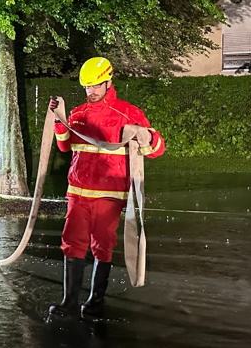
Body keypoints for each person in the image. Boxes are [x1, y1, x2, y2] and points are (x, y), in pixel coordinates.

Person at [48, 57, 165, 319]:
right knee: (72, 244)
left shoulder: (128, 113)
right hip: (78, 192)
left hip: (109, 194)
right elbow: (65, 147)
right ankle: (68, 303)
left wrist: (148, 137)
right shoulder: (77, 114)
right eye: (87, 87)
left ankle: (95, 300)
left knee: (103, 245)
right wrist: (59, 119)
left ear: (109, 81)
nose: (91, 91)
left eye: (96, 86)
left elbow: (157, 149)